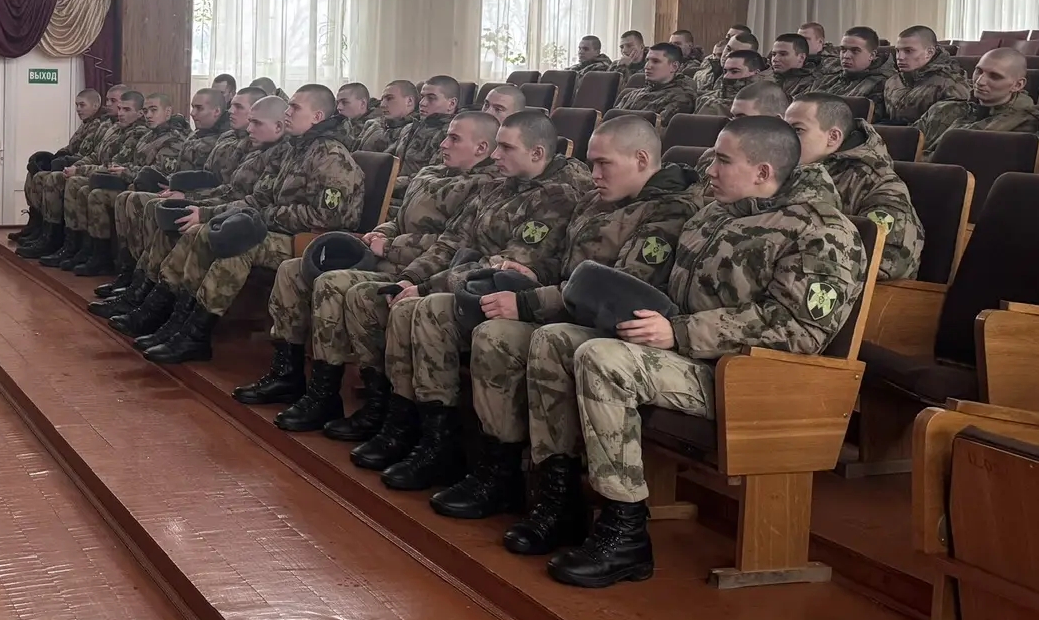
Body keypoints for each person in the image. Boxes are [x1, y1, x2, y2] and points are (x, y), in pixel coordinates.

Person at [533, 117, 867, 588]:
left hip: (750, 378)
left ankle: (624, 530)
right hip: (690, 359)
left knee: (603, 360)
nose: (708, 168)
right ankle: (560, 497)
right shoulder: (713, 214)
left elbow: (799, 329)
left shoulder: (823, 231)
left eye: (723, 160)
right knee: (553, 340)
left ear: (762, 171)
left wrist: (680, 332)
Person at [438, 115, 703, 549]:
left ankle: (564, 500)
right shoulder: (597, 200)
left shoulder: (670, 211)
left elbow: (610, 291)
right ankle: (506, 473)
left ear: (641, 159)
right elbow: (564, 264)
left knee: (549, 339)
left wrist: (529, 301)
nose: (593, 174)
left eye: (604, 164)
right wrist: (529, 272)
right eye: (591, 163)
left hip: (617, 328)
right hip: (571, 314)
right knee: (495, 335)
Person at [369, 112, 594, 488]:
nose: (496, 154)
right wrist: (412, 278)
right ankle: (423, 435)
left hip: (509, 296)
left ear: (537, 153)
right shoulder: (499, 186)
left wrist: (429, 287)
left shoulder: (558, 196)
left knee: (429, 309)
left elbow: (506, 265)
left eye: (506, 147)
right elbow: (453, 242)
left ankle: (487, 465)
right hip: (471, 285)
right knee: (407, 305)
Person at [245, 111, 499, 418]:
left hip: (419, 268)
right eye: (446, 135)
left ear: (481, 148)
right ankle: (288, 374)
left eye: (454, 139)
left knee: (331, 283)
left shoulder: (485, 187)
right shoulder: (431, 173)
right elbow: (399, 220)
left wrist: (391, 245)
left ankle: (338, 396)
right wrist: (381, 232)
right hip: (385, 257)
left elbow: (454, 245)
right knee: (293, 270)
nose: (443, 143)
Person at [138, 85, 362, 366]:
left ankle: (196, 335)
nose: (287, 112)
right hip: (279, 230)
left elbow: (328, 218)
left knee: (238, 244)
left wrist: (267, 215)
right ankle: (174, 321)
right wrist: (209, 213)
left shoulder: (332, 157)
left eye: (294, 108)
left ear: (317, 116)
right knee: (206, 232)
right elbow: (259, 198)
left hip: (313, 242)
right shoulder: (296, 149)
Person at [107, 94, 284, 336]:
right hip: (232, 209)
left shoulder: (277, 154)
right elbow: (225, 188)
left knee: (196, 230)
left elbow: (254, 202)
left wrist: (202, 210)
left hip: (252, 220)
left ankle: (182, 324)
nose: (248, 127)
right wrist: (191, 198)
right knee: (172, 219)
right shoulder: (253, 148)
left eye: (255, 121)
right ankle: (144, 295)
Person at [97, 88, 231, 297]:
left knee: (142, 202)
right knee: (127, 198)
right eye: (192, 107)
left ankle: (148, 283)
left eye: (199, 108)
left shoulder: (220, 141)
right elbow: (180, 172)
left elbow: (218, 184)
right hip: (177, 190)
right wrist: (171, 185)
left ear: (216, 111)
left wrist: (187, 195)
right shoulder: (197, 135)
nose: (192, 113)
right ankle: (131, 272)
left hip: (204, 201)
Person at [787, 95, 924, 282]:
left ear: (833, 137)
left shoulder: (877, 183)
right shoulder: (782, 171)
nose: (784, 138)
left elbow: (887, 260)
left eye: (797, 130)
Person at [66, 92, 190, 276]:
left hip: (154, 190)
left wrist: (126, 172)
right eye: (146, 111)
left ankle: (134, 268)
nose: (148, 115)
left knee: (123, 198)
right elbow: (126, 162)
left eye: (153, 110)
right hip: (134, 184)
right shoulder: (148, 136)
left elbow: (158, 175)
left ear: (168, 112)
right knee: (94, 192)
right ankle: (99, 254)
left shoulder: (173, 139)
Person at [10, 88, 111, 250]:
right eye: (76, 105)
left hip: (83, 167)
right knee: (34, 173)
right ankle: (37, 224)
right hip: (73, 163)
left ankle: (53, 236)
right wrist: (53, 157)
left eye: (82, 105)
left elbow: (89, 154)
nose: (78, 109)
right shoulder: (86, 125)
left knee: (52, 178)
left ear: (95, 106)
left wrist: (65, 162)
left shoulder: (102, 125)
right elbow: (71, 147)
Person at [915, 46, 1039, 155]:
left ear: (1018, 85)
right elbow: (908, 144)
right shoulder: (943, 108)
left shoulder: (1027, 125)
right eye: (979, 71)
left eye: (995, 76)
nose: (980, 81)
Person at [884, 26, 971, 124]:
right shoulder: (893, 80)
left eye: (908, 51)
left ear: (929, 52)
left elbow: (950, 126)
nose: (900, 57)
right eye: (898, 51)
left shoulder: (950, 83)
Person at [610, 43, 697, 126]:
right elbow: (610, 120)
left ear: (674, 66)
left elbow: (658, 129)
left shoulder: (681, 98)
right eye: (647, 60)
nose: (647, 66)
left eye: (655, 61)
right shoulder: (633, 94)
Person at [812, 28, 890, 116]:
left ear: (872, 55)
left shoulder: (881, 85)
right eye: (843, 50)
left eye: (855, 51)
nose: (846, 56)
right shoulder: (827, 78)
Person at [695, 48, 768, 114]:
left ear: (756, 73)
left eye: (734, 71)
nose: (726, 76)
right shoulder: (707, 100)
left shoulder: (767, 101)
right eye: (725, 71)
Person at [335, 82, 387, 150]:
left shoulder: (378, 128)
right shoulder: (338, 123)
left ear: (362, 104)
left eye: (345, 102)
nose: (339, 107)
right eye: (337, 103)